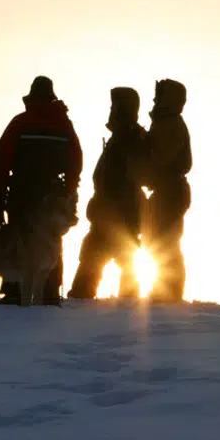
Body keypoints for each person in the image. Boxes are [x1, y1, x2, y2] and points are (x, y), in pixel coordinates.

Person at [0, 76, 82, 305]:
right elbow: (75, 160)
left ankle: (14, 291)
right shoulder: (64, 124)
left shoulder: (20, 122)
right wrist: (69, 192)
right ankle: (50, 292)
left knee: (17, 241)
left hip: (22, 192)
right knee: (51, 244)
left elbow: (2, 160)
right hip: (52, 195)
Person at [68, 87, 147, 301]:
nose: (111, 110)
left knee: (114, 257)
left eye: (115, 106)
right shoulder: (123, 136)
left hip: (117, 213)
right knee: (101, 257)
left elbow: (128, 178)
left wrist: (112, 209)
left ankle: (122, 302)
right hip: (110, 212)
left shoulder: (129, 137)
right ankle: (86, 298)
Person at [143, 78, 192, 302]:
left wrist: (143, 148)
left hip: (171, 190)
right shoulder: (164, 122)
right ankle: (164, 290)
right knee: (157, 240)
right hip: (165, 189)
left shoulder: (170, 124)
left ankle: (169, 292)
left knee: (166, 241)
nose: (154, 99)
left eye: (159, 95)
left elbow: (161, 157)